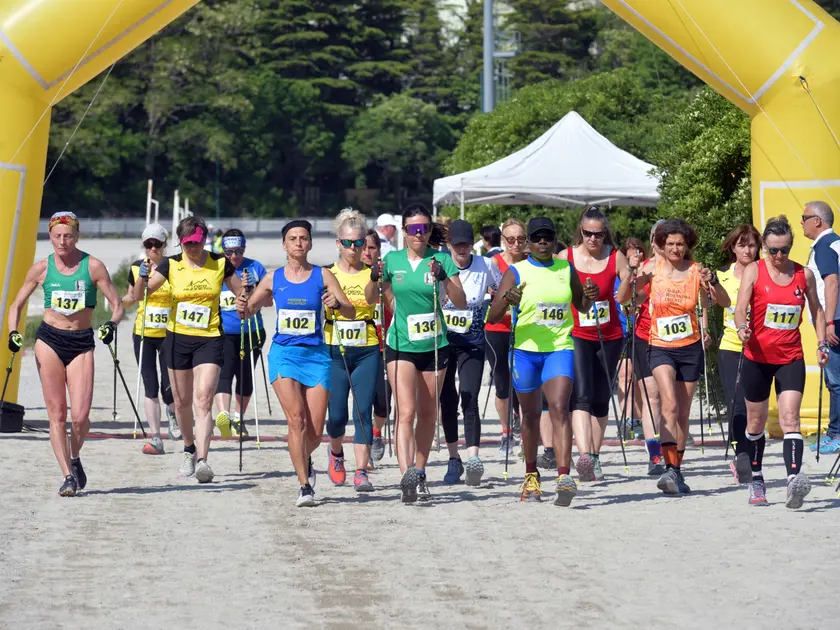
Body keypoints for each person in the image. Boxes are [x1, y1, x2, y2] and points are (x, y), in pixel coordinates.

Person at [6, 212, 124, 496]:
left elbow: (117, 305)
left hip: (81, 341)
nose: (62, 241)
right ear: (50, 236)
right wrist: (13, 332)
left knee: (80, 418)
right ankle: (67, 476)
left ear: (77, 236)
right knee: (57, 413)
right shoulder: (41, 269)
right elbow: (16, 305)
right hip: (49, 340)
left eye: (68, 235)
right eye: (57, 236)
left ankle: (74, 456)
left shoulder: (93, 266)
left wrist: (111, 324)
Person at [239, 220, 354, 507]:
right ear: (285, 244)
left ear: (311, 243)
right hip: (284, 355)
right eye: (293, 238)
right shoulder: (272, 278)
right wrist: (243, 304)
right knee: (296, 420)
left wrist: (337, 305)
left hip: (316, 357)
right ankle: (304, 486)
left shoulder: (323, 275)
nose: (299, 243)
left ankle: (305, 458)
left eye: (304, 238)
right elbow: (248, 311)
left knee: (314, 431)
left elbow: (351, 312)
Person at [488, 217, 599, 505]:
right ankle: (531, 475)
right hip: (524, 351)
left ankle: (563, 476)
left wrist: (590, 297)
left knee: (560, 407)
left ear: (554, 240)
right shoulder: (516, 271)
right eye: (536, 238)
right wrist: (507, 300)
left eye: (547, 237)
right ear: (528, 243)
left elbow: (582, 305)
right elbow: (493, 316)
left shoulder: (566, 268)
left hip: (559, 348)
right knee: (531, 415)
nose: (542, 243)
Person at [135, 216, 246, 484]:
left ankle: (204, 461)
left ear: (204, 239)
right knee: (182, 402)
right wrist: (141, 277)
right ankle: (189, 450)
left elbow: (241, 291)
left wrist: (245, 298)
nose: (193, 249)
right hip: (177, 339)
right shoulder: (171, 263)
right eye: (187, 244)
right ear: (180, 242)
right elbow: (143, 294)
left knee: (203, 399)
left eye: (197, 243)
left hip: (209, 338)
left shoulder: (219, 263)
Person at [367, 203, 466, 503]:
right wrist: (374, 277)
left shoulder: (441, 260)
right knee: (406, 411)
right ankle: (406, 474)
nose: (419, 234)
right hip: (400, 345)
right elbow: (372, 297)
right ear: (404, 231)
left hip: (435, 345)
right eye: (413, 229)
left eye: (424, 229)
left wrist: (444, 278)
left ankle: (420, 473)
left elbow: (460, 301)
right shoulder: (392, 260)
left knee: (427, 413)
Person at [629, 219, 728, 495]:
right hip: (659, 345)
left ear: (687, 246)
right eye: (670, 243)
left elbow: (722, 302)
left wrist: (713, 283)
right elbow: (626, 297)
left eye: (680, 244)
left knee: (683, 412)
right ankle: (669, 467)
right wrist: (632, 275)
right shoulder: (653, 269)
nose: (675, 248)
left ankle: (676, 469)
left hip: (689, 346)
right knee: (669, 404)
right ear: (661, 245)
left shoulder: (696, 270)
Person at [734, 215, 828, 508]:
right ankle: (758, 480)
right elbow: (739, 309)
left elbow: (817, 311)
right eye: (772, 250)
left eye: (784, 250)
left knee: (790, 419)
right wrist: (741, 328)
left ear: (791, 247)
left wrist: (822, 342)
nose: (778, 256)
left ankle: (793, 481)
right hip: (757, 358)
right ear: (764, 247)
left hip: (790, 357)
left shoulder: (804, 275)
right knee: (755, 422)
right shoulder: (753, 271)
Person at [558, 206, 634, 481]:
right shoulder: (566, 257)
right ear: (581, 231)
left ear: (605, 234)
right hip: (577, 333)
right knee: (582, 394)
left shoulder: (616, 257)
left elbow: (624, 297)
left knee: (602, 398)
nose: (593, 239)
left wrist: (627, 279)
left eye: (599, 234)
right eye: (588, 233)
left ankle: (596, 454)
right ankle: (585, 456)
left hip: (609, 335)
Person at [323, 210, 382, 492]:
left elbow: (373, 299)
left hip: (367, 348)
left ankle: (361, 471)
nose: (353, 249)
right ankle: (335, 454)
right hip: (335, 350)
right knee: (336, 416)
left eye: (359, 243)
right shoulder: (327, 273)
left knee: (363, 412)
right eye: (347, 243)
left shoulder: (372, 273)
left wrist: (376, 279)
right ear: (338, 243)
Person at [439, 220, 501, 486]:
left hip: (473, 342)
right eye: (456, 245)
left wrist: (497, 299)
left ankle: (473, 458)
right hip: (443, 341)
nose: (461, 249)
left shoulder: (486, 265)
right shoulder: (439, 264)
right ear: (449, 245)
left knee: (470, 397)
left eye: (465, 244)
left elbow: (501, 290)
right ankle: (454, 459)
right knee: (448, 401)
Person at [124, 223, 179, 455]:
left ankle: (173, 414)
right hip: (144, 333)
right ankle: (156, 436)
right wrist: (122, 300)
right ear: (144, 246)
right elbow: (132, 297)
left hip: (169, 333)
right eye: (149, 244)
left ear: (165, 245)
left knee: (170, 385)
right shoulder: (137, 268)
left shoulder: (173, 267)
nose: (153, 248)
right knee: (150, 385)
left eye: (157, 244)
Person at [214, 229, 271, 438]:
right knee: (225, 373)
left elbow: (269, 301)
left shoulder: (255, 267)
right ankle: (224, 416)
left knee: (245, 376)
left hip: (251, 330)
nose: (234, 256)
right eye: (229, 252)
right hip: (224, 332)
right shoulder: (217, 268)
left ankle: (238, 418)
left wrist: (254, 289)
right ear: (223, 251)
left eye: (239, 251)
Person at [717, 224, 761, 482]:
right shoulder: (721, 275)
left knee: (754, 405)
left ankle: (752, 452)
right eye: (742, 244)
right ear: (733, 247)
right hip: (731, 347)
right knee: (736, 404)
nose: (747, 249)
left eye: (752, 245)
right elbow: (706, 304)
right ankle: (741, 455)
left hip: (759, 349)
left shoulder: (764, 273)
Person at [485, 218, 527, 456]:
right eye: (510, 239)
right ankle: (505, 431)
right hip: (498, 329)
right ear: (503, 240)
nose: (516, 244)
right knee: (502, 383)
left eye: (520, 239)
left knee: (523, 380)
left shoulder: (531, 262)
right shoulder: (494, 262)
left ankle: (521, 423)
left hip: (525, 328)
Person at [802, 201, 840, 455]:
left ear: (818, 221)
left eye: (804, 217)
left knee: (835, 381)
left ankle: (836, 434)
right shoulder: (835, 242)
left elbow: (832, 282)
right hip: (835, 319)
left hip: (834, 321)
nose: (801, 221)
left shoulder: (825, 245)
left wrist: (827, 322)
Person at [363, 229, 393, 464]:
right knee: (362, 401)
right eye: (363, 247)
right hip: (360, 346)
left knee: (383, 403)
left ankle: (376, 433)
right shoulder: (349, 273)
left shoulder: (386, 273)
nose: (366, 252)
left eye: (371, 247)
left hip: (385, 344)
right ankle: (363, 449)